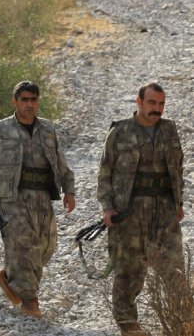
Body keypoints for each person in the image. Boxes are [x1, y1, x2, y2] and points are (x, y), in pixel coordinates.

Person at [0, 81, 75, 318]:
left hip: (42, 195)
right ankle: (30, 300)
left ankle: (10, 275)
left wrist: (69, 190)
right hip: (13, 197)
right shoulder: (2, 129)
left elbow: (60, 162)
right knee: (25, 244)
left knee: (47, 245)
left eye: (33, 100)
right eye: (24, 100)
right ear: (15, 101)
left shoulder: (47, 129)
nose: (29, 104)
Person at [98, 83, 187, 336]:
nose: (157, 109)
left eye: (161, 104)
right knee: (130, 268)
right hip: (130, 211)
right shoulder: (120, 132)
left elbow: (178, 168)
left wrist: (178, 202)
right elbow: (105, 172)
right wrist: (107, 208)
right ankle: (128, 323)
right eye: (152, 103)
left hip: (164, 210)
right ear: (139, 102)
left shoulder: (169, 130)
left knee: (173, 265)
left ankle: (182, 319)